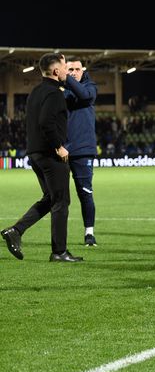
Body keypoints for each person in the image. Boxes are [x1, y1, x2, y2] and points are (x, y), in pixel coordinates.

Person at [2, 53, 83, 262]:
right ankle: (59, 252)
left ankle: (16, 231)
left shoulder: (36, 92)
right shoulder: (54, 93)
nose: (68, 71)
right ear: (56, 71)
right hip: (50, 154)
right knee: (61, 201)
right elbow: (46, 122)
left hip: (35, 153)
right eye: (65, 67)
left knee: (50, 198)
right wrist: (59, 146)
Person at [63, 56, 99, 246]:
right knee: (57, 197)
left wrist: (65, 77)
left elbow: (83, 95)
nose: (74, 73)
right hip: (60, 150)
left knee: (85, 193)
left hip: (83, 150)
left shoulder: (91, 88)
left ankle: (89, 233)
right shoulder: (58, 91)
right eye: (70, 70)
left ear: (83, 71)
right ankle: (60, 237)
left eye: (77, 69)